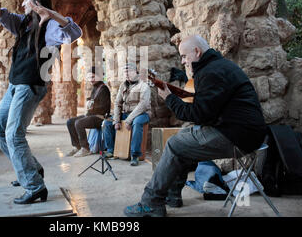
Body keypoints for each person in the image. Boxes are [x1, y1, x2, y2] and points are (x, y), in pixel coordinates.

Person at [124, 35, 268, 217]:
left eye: (184, 56)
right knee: (184, 138)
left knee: (175, 145)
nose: (183, 61)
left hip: (237, 137)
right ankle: (172, 194)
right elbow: (208, 112)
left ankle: (151, 203)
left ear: (197, 52)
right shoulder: (218, 66)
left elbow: (198, 115)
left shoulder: (210, 72)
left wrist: (169, 98)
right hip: (242, 132)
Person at [0, 0, 82, 205]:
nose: (22, 4)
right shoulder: (22, 22)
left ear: (37, 3)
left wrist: (52, 14)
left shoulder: (49, 27)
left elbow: (74, 32)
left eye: (26, 0)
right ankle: (31, 170)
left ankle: (35, 186)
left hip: (30, 86)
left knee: (13, 134)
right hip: (15, 85)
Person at [66, 67, 111, 157]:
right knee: (70, 122)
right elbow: (93, 101)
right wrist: (89, 102)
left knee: (79, 123)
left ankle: (85, 148)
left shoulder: (104, 89)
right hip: (91, 115)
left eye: (93, 77)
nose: (91, 80)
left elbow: (105, 108)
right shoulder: (95, 88)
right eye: (89, 77)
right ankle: (77, 146)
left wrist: (91, 106)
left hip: (100, 117)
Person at [112, 63, 151, 166]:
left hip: (142, 113)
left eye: (129, 71)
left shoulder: (144, 86)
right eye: (125, 72)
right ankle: (112, 150)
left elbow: (143, 105)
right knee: (107, 123)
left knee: (137, 123)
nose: (127, 74)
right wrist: (116, 120)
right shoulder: (123, 85)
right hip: (126, 113)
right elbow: (117, 103)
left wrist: (128, 120)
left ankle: (135, 155)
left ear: (135, 72)